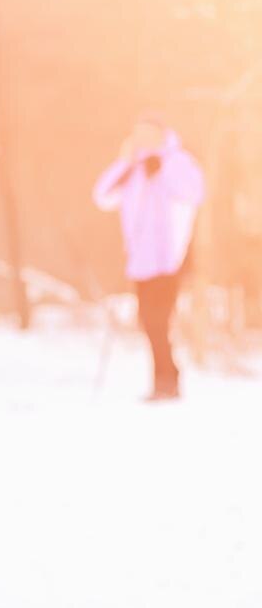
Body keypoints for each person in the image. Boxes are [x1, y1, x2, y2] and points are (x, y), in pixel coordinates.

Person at [93, 114, 205, 401]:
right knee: (147, 321)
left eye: (147, 133)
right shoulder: (133, 168)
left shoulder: (178, 161)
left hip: (170, 259)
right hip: (141, 260)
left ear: (160, 134)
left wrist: (163, 170)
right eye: (137, 133)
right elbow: (103, 196)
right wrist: (125, 163)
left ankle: (167, 381)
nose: (142, 139)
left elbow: (194, 193)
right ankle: (166, 379)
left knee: (159, 320)